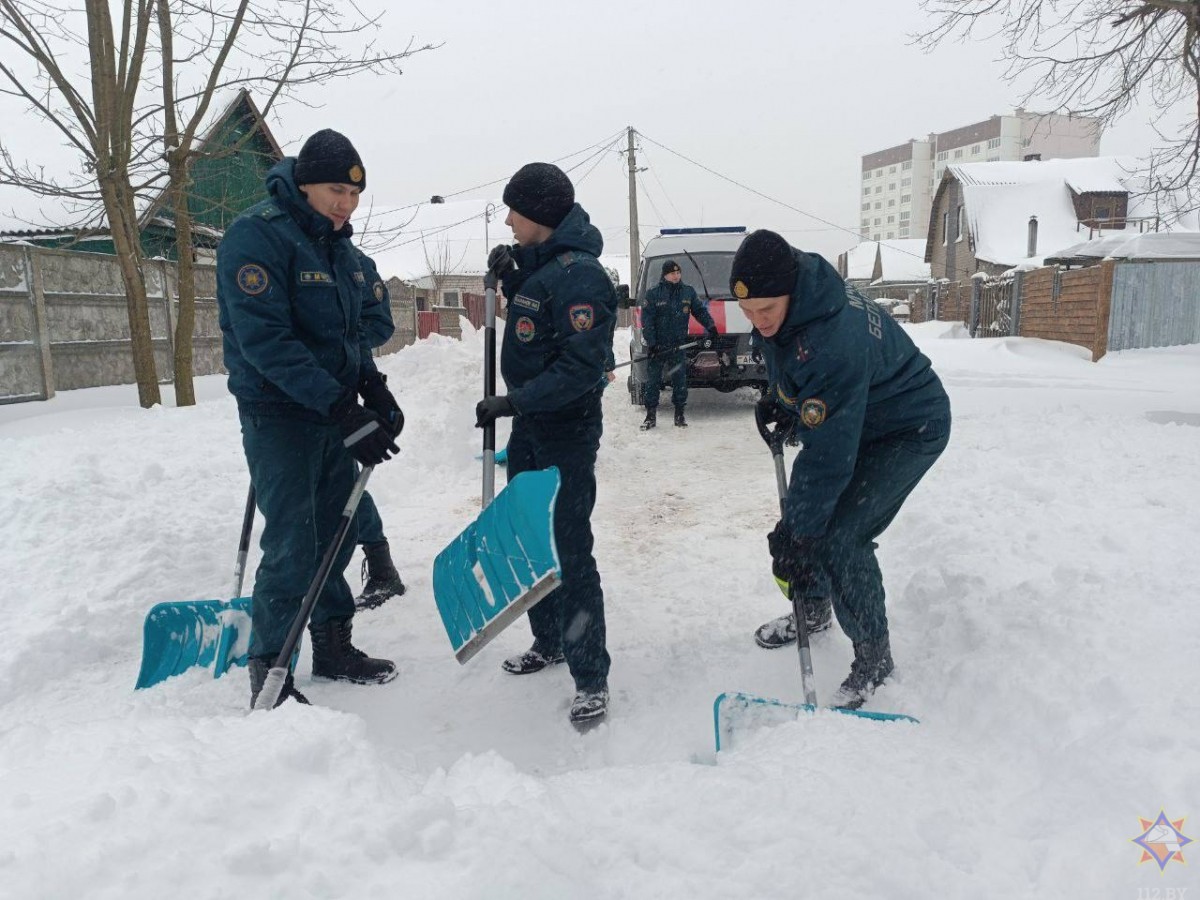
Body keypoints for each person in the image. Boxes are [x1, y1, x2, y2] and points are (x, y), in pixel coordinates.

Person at [217, 129, 401, 708]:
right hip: (281, 414)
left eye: (355, 195)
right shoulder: (257, 236)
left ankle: (332, 643)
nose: (347, 205)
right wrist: (343, 406)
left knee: (336, 532)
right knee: (295, 541)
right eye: (334, 192)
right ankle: (270, 670)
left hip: (329, 412)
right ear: (302, 183)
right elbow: (265, 342)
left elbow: (348, 336)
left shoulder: (338, 248)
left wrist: (372, 388)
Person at [731, 229, 951, 709]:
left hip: (909, 428)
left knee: (839, 535)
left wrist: (798, 534)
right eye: (747, 313)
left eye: (766, 310)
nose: (758, 322)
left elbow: (829, 457)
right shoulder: (795, 300)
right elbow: (787, 356)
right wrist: (785, 399)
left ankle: (874, 659)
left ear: (791, 292)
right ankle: (812, 609)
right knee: (812, 527)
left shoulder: (834, 339)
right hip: (860, 417)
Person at [477, 162, 616, 725]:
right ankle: (550, 639)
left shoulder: (583, 276)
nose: (508, 220)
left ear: (539, 214)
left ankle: (591, 677)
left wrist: (516, 402)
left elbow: (582, 366)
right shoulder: (543, 268)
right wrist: (511, 279)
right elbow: (539, 320)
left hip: (564, 432)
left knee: (569, 550)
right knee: (531, 539)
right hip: (531, 427)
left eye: (514, 211)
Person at [352, 249, 406, 610]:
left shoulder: (352, 261)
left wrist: (372, 386)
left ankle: (381, 565)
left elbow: (379, 323)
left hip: (339, 384)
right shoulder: (266, 242)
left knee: (344, 487)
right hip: (279, 395)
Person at [639, 259, 718, 430]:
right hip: (658, 348)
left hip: (678, 346)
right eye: (672, 273)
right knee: (653, 382)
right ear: (665, 275)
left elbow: (700, 312)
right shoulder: (653, 294)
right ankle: (650, 415)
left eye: (678, 272)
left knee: (680, 381)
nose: (676, 276)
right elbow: (647, 321)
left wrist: (711, 326)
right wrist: (652, 344)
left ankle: (679, 414)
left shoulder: (687, 292)